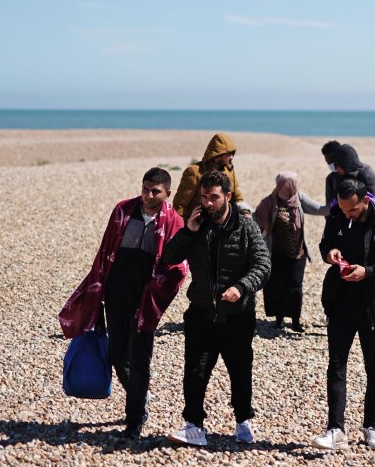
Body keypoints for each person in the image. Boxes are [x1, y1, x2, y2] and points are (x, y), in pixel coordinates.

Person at [58, 167, 188, 439]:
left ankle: (135, 418)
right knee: (117, 354)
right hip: (116, 297)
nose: (148, 195)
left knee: (140, 360)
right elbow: (105, 251)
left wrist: (155, 293)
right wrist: (99, 288)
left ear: (167, 194)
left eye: (155, 191)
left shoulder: (174, 222)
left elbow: (179, 268)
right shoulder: (122, 211)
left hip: (145, 303)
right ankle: (139, 396)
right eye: (145, 188)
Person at [162, 171, 271, 447]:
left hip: (237, 315)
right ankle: (194, 425)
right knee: (196, 372)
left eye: (214, 197)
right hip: (201, 313)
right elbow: (169, 257)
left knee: (240, 371)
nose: (209, 203)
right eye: (204, 197)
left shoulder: (246, 227)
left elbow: (263, 265)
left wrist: (242, 287)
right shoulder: (197, 225)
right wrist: (188, 231)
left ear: (228, 197)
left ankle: (243, 420)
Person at [312, 178, 375, 451]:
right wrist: (329, 252)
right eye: (344, 210)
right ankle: (335, 429)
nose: (347, 215)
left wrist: (367, 272)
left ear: (365, 200)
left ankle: (372, 426)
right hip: (340, 302)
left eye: (352, 210)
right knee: (336, 365)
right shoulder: (337, 214)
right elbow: (325, 243)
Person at [254, 172, 325, 332]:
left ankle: (295, 321)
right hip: (277, 253)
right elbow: (255, 219)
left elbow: (318, 209)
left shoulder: (298, 198)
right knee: (278, 285)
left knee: (295, 286)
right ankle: (279, 318)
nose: (294, 186)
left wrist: (338, 205)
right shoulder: (270, 202)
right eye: (291, 183)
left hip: (298, 253)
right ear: (282, 185)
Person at [173, 133, 251, 217]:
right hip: (199, 223)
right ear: (218, 154)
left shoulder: (229, 171)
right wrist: (184, 227)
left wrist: (245, 212)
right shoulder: (194, 172)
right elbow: (180, 205)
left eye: (232, 154)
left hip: (224, 222)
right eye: (228, 154)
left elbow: (237, 198)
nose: (231, 157)